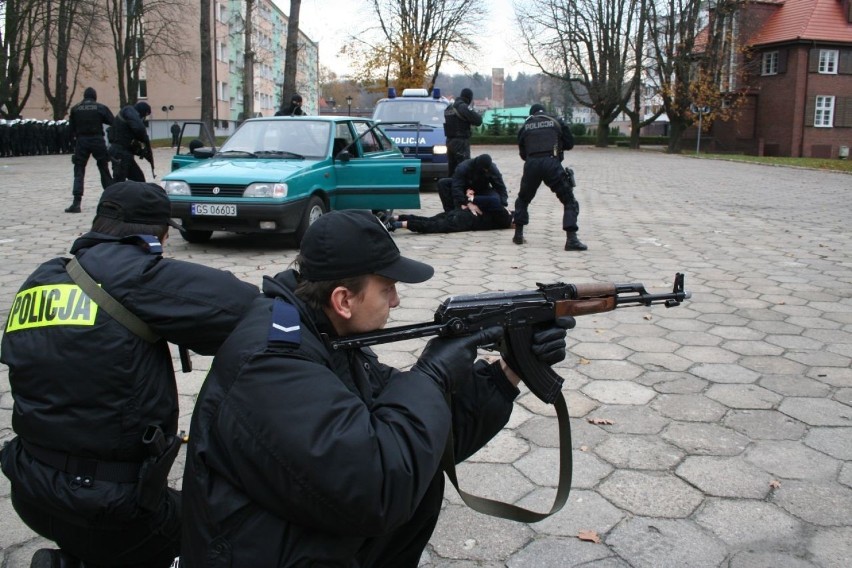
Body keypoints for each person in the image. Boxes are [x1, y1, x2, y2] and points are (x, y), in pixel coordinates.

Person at [179, 209, 569, 566]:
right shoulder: (271, 366)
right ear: (343, 299)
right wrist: (431, 377)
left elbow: (420, 440)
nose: (396, 301)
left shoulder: (323, 333)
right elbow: (378, 485)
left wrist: (508, 371)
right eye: (387, 289)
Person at [0, 181, 259, 568]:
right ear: (160, 233)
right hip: (110, 508)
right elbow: (247, 306)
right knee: (231, 538)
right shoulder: (136, 274)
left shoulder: (40, 277)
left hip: (30, 487)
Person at [512, 103, 587, 251]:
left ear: (531, 114)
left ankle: (518, 234)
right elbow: (569, 143)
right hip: (551, 162)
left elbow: (522, 153)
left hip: (531, 164)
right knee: (569, 200)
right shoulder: (556, 121)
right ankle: (571, 239)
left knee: (523, 199)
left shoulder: (526, 125)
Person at [65, 87, 114, 213]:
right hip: (97, 140)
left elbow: (70, 130)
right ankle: (111, 201)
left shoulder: (75, 109)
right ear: (95, 96)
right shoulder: (100, 107)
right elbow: (112, 121)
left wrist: (72, 146)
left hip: (81, 141)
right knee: (104, 169)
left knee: (79, 170)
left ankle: (76, 203)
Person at [384, 188, 512, 234]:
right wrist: (473, 199)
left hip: (460, 213)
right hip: (464, 221)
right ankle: (396, 224)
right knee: (432, 226)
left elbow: (492, 202)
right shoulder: (504, 219)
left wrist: (473, 201)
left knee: (431, 220)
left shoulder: (501, 215)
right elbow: (494, 202)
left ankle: (397, 218)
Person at [437, 153, 508, 213]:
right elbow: (457, 187)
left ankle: (479, 205)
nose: (486, 171)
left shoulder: (492, 168)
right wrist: (464, 202)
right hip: (465, 188)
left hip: (482, 190)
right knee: (443, 183)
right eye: (484, 169)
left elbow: (500, 186)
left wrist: (503, 203)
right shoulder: (463, 168)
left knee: (495, 199)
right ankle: (450, 212)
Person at [109, 101, 153, 183]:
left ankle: (137, 195)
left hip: (125, 153)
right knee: (119, 182)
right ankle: (111, 195)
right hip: (120, 153)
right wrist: (144, 139)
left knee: (139, 180)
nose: (144, 118)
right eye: (146, 114)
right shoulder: (129, 111)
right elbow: (139, 129)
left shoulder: (129, 116)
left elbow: (130, 136)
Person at [443, 87, 482, 176]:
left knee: (452, 170)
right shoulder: (463, 107)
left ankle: (451, 188)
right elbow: (478, 121)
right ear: (469, 98)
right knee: (464, 169)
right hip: (461, 142)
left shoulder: (449, 107)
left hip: (449, 141)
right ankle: (462, 189)